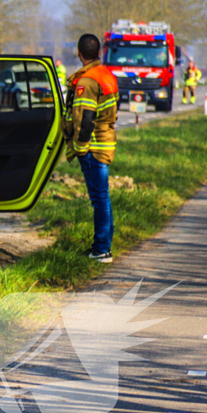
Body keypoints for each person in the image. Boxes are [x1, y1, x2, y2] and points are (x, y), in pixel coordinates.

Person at [62, 33, 118, 263]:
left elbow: (85, 119)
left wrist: (80, 147)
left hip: (93, 147)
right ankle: (101, 246)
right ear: (98, 53)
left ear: (79, 53)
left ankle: (102, 249)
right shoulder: (107, 75)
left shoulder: (86, 81)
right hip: (106, 142)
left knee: (100, 199)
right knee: (101, 198)